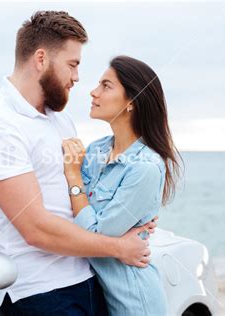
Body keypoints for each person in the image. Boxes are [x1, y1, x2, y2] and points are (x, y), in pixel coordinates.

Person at [0, 11, 157, 316]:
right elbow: (36, 229)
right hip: (41, 292)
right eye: (73, 64)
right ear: (41, 59)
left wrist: (135, 215)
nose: (78, 78)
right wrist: (121, 248)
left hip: (91, 277)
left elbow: (77, 194)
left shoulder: (60, 120)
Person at [61, 55, 182, 315]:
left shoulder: (145, 168)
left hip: (134, 302)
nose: (93, 92)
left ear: (131, 103)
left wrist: (73, 177)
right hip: (93, 295)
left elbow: (94, 236)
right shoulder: (96, 149)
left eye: (106, 85)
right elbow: (63, 206)